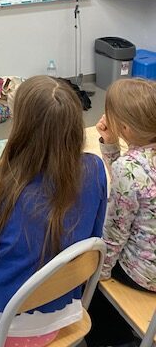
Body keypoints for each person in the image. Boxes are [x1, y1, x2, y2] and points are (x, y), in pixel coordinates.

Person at [0, 75, 108, 347]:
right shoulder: (94, 168)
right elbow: (93, 234)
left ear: (20, 125)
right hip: (61, 313)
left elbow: (0, 228)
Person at [86, 77, 156, 347]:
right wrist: (111, 144)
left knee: (87, 269)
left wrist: (99, 274)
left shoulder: (128, 168)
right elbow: (132, 185)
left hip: (145, 274)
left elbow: (115, 233)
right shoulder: (133, 166)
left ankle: (114, 339)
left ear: (124, 127)